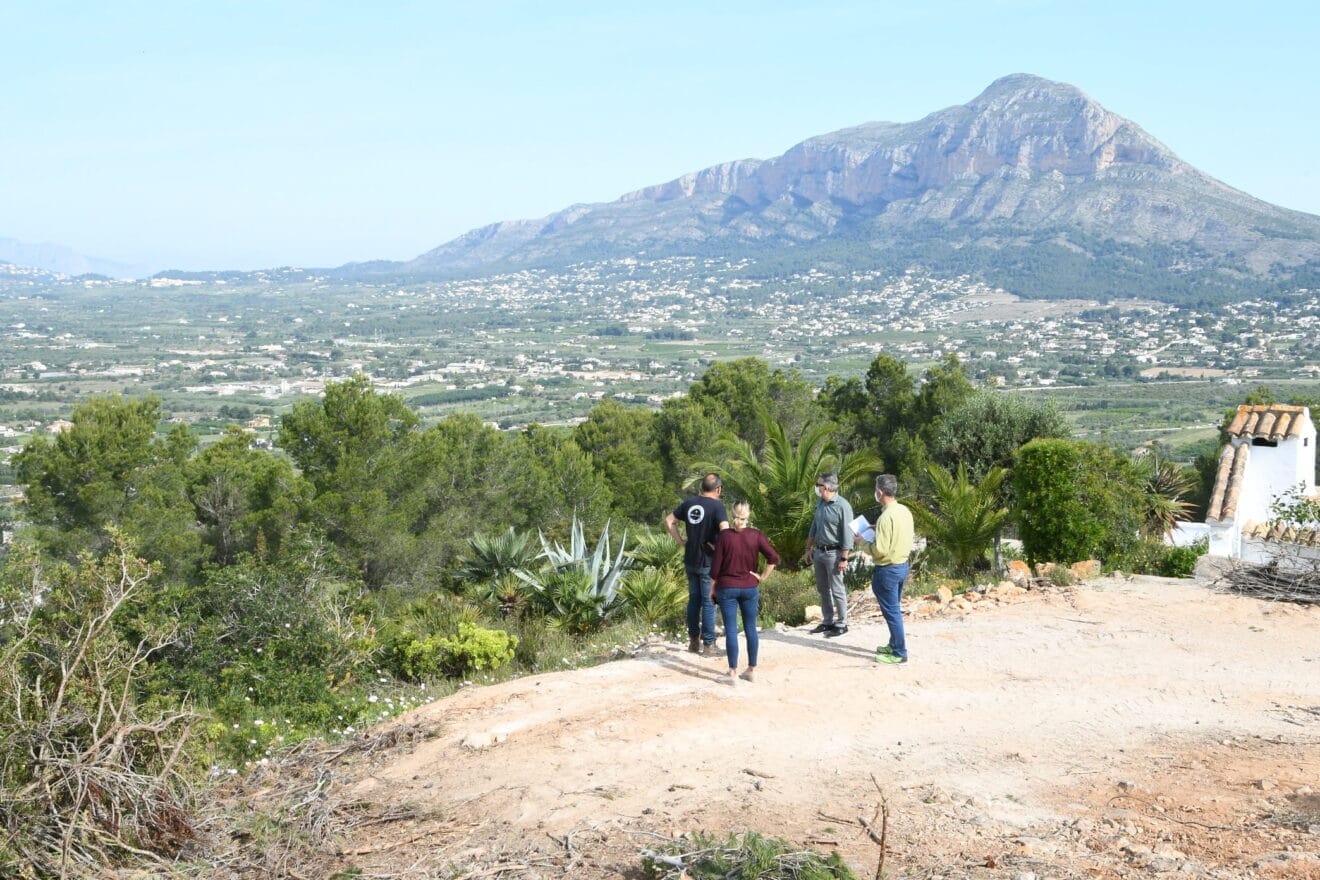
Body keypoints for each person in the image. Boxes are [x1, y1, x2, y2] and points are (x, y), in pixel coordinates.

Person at [709, 500, 778, 684]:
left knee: (731, 629)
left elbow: (715, 568)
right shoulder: (756, 535)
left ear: (733, 515)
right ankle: (751, 670)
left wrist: (711, 588)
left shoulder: (724, 536)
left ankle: (732, 672)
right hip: (749, 587)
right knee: (750, 628)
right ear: (748, 516)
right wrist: (762, 577)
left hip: (727, 587)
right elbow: (773, 557)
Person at [665, 473, 729, 655]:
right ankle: (709, 645)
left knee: (694, 600)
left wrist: (681, 541)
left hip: (690, 559)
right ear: (718, 489)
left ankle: (693, 642)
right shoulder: (717, 506)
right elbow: (725, 531)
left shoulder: (689, 503)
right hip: (708, 560)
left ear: (702, 487)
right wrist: (721, 549)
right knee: (709, 601)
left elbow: (669, 521)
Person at [801, 472, 855, 637]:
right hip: (819, 552)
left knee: (837, 589)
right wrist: (808, 548)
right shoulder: (820, 504)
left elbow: (848, 533)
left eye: (819, 485)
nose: (816, 488)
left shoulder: (842, 506)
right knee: (823, 589)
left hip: (835, 553)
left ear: (827, 487)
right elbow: (814, 527)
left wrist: (844, 557)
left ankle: (842, 623)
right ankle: (828, 621)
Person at [871, 473, 915, 664]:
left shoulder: (885, 517)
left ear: (880, 492)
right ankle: (893, 643)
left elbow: (880, 550)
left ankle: (899, 652)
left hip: (887, 570)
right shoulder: (904, 511)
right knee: (894, 608)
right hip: (902, 565)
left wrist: (863, 543)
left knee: (892, 612)